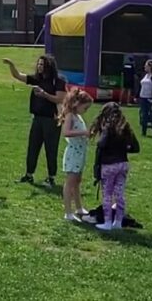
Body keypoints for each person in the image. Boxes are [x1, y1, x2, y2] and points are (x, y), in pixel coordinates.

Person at [3, 55, 67, 187]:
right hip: (37, 118)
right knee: (33, 147)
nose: (39, 67)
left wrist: (44, 94)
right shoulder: (36, 79)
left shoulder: (58, 81)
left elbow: (60, 99)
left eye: (42, 64)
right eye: (38, 64)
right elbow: (17, 75)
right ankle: (29, 174)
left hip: (51, 120)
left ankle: (51, 177)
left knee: (51, 149)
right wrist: (11, 65)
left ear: (49, 66)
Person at [89, 102, 140, 231]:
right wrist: (123, 148)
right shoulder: (125, 127)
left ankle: (107, 222)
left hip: (108, 165)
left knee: (107, 195)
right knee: (119, 194)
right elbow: (136, 147)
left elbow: (101, 144)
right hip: (123, 164)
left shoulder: (108, 128)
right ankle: (118, 221)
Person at [59, 89, 93, 221]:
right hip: (73, 153)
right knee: (70, 182)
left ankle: (79, 207)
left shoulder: (78, 116)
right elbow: (66, 132)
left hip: (80, 154)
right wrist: (83, 133)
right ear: (77, 104)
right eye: (85, 108)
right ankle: (68, 212)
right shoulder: (70, 116)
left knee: (77, 181)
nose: (86, 111)